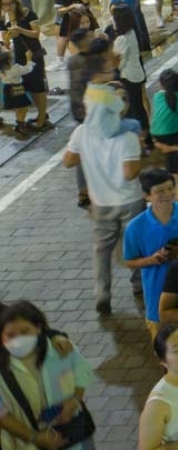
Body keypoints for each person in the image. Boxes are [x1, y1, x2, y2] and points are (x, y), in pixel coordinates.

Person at [62, 69, 144, 315]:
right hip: (129, 200)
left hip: (101, 203)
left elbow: (68, 161)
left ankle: (102, 294)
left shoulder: (82, 132)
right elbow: (130, 173)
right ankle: (139, 285)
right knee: (135, 246)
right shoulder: (128, 135)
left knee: (101, 250)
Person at [0, 302, 97, 450]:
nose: (18, 340)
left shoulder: (55, 350)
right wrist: (34, 437)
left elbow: (13, 321)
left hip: (70, 434)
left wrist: (53, 337)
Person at [123, 170, 178, 336]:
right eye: (160, 191)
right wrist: (151, 260)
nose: (167, 194)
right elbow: (129, 260)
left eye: (170, 188)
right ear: (147, 196)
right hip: (156, 295)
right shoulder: (136, 227)